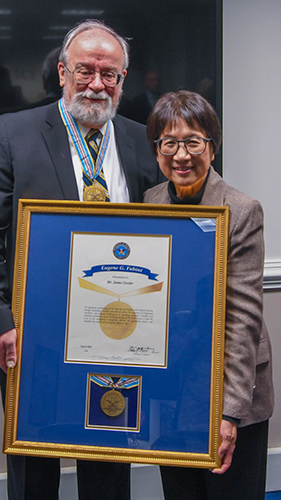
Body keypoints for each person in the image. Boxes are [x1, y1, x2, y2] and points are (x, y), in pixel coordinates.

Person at [0, 19, 161, 500]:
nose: (97, 84)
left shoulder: (143, 139)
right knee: (34, 471)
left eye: (109, 74)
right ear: (61, 72)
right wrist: (0, 325)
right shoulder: (13, 132)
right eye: (86, 70)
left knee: (108, 468)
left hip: (117, 333)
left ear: (122, 80)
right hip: (34, 339)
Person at [144, 90, 274, 500]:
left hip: (229, 382)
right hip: (176, 384)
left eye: (193, 141)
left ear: (212, 148)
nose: (180, 155)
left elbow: (243, 318)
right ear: (157, 150)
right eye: (169, 142)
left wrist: (229, 412)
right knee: (180, 493)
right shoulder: (151, 200)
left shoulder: (242, 209)